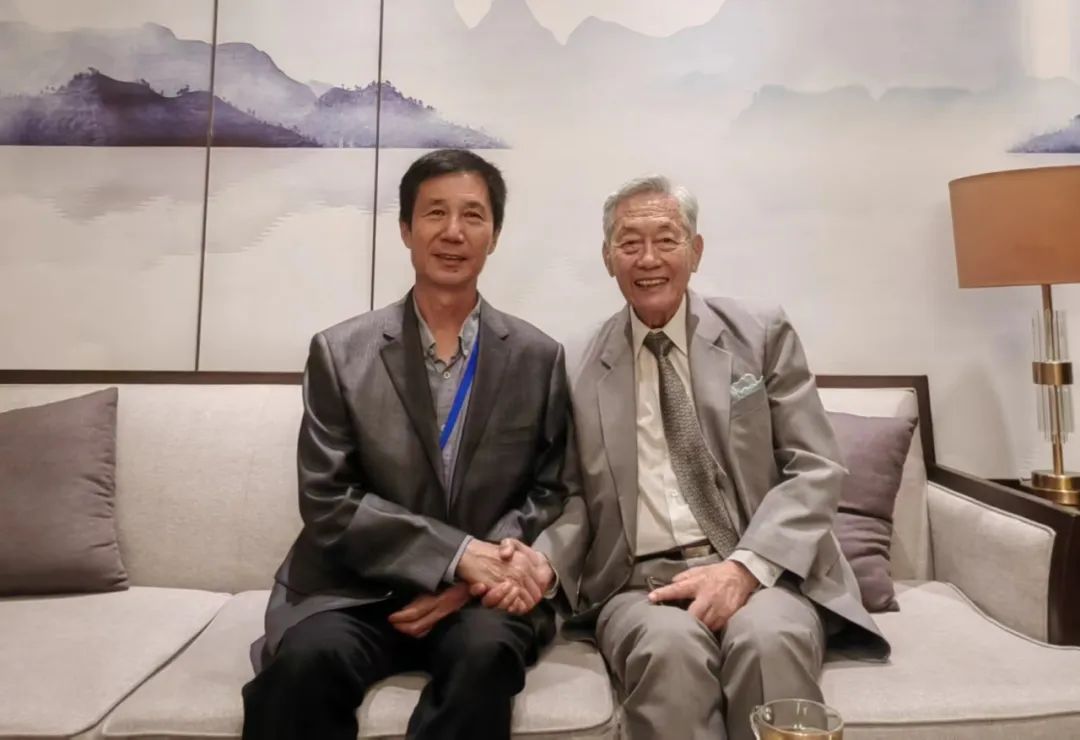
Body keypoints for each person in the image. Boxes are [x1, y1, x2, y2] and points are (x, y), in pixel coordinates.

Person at [498, 175, 889, 740]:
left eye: (667, 239)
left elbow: (815, 467)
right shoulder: (577, 363)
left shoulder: (761, 334)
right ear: (608, 258)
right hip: (640, 584)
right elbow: (573, 497)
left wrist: (743, 569)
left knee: (767, 641)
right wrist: (544, 562)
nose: (648, 259)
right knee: (669, 652)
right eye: (629, 243)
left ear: (696, 251)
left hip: (762, 570)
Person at [242, 149, 573, 740]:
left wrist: (478, 575)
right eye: (435, 213)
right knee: (304, 666)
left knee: (487, 655)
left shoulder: (537, 357)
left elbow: (549, 490)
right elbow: (327, 501)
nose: (453, 231)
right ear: (405, 229)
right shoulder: (340, 353)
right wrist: (455, 555)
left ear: (495, 235)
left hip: (478, 600)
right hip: (353, 591)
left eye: (473, 215)